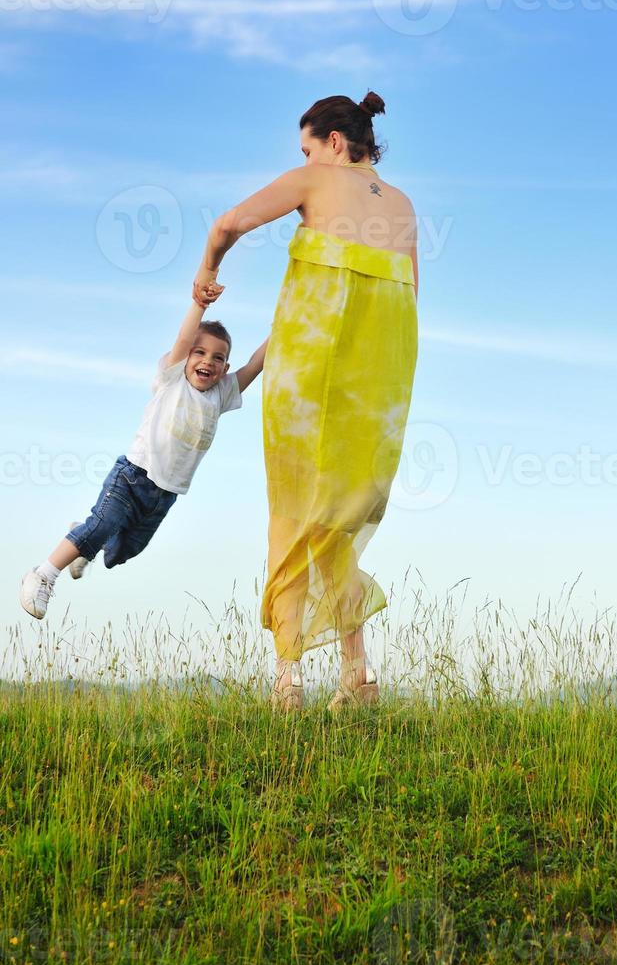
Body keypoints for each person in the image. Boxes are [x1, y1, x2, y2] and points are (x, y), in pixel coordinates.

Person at [193, 90, 419, 713]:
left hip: (308, 377)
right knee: (337, 519)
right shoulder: (404, 207)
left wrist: (206, 272)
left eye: (307, 148)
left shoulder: (312, 182)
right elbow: (406, 303)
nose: (304, 159)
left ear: (334, 144)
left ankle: (288, 679)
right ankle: (358, 675)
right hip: (377, 385)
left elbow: (228, 224)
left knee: (292, 510)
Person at [20, 297, 268, 619]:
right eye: (200, 352)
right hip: (133, 476)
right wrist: (199, 306)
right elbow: (182, 339)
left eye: (218, 357)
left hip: (164, 496)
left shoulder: (221, 395)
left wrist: (280, 328)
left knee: (122, 553)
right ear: (185, 357)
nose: (208, 361)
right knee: (103, 524)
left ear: (224, 369)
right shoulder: (173, 378)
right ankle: (43, 574)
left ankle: (85, 542)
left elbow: (255, 365)